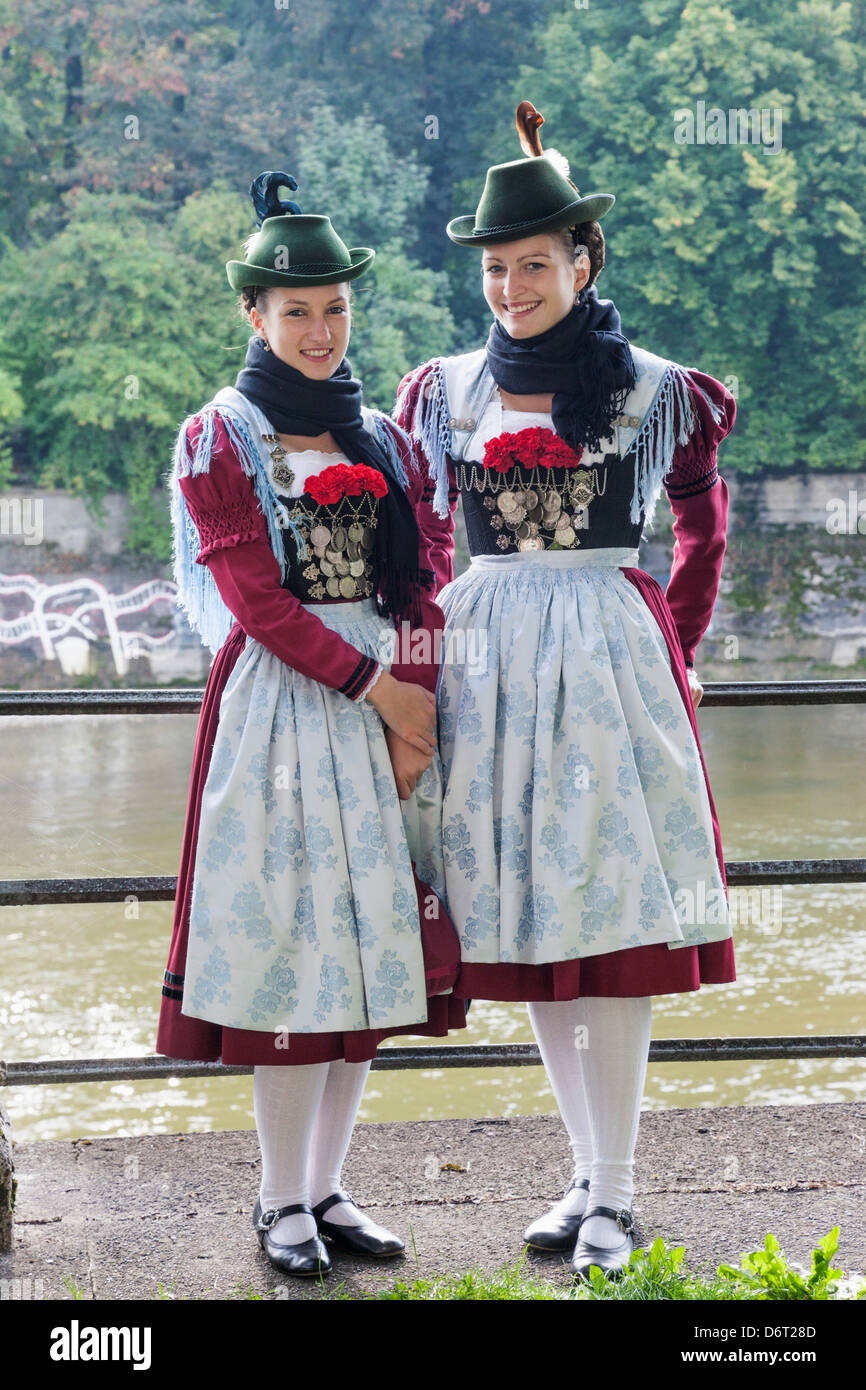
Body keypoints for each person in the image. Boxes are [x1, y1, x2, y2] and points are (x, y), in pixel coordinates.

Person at [393, 103, 736, 1279]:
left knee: (614, 922)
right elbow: (426, 545)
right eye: (493, 268)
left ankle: (620, 1190)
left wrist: (673, 637)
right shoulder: (443, 389)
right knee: (536, 920)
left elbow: (699, 518)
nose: (508, 287)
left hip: (603, 655)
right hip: (490, 664)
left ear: (581, 261)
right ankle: (584, 1175)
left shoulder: (651, 387)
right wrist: (422, 665)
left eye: (530, 265)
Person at [156, 171, 465, 1279]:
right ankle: (275, 1200)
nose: (321, 330)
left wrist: (418, 705)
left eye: (336, 309)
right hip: (285, 710)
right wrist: (378, 690)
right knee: (292, 958)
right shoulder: (220, 434)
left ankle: (328, 1189)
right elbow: (257, 602)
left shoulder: (382, 434)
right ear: (254, 316)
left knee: (366, 954)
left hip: (385, 711)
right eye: (297, 311)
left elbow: (425, 580)